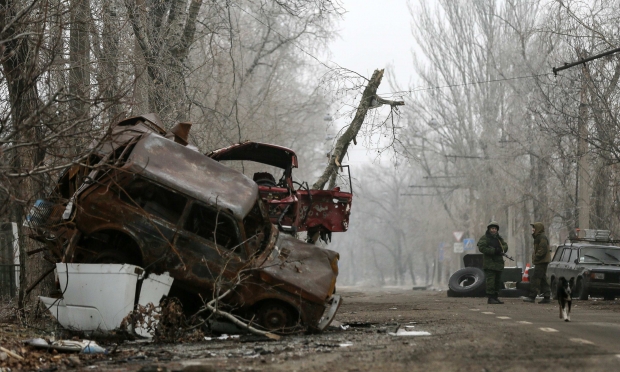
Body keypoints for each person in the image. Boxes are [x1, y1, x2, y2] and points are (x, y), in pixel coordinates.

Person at [477, 221, 508, 304]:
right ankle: (490, 298)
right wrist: (493, 251)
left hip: (498, 263)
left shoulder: (499, 238)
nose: (493, 230)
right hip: (490, 263)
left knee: (497, 281)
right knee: (491, 281)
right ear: (489, 229)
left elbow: (505, 246)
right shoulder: (485, 238)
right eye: (492, 228)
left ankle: (495, 297)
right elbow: (482, 248)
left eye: (495, 229)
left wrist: (501, 249)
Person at [523, 222, 551, 303]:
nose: (532, 229)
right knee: (542, 279)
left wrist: (536, 257)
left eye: (534, 228)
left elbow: (542, 249)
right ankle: (547, 296)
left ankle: (532, 296)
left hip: (541, 261)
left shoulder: (541, 237)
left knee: (535, 278)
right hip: (541, 261)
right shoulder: (538, 237)